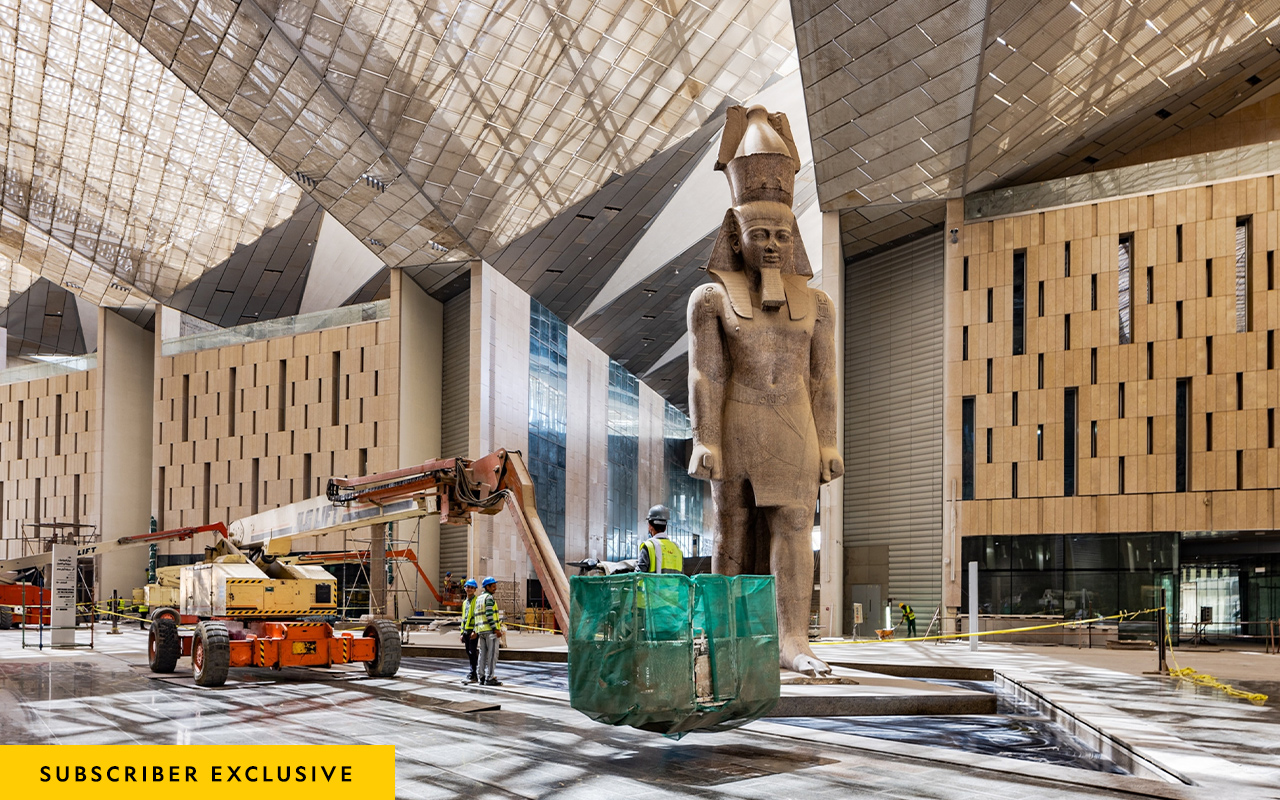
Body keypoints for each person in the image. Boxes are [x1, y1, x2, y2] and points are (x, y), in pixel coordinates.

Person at [687, 104, 842, 675]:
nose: (773, 245)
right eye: (760, 235)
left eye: (782, 234)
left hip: (795, 423)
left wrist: (828, 441)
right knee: (733, 527)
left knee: (797, 525)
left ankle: (793, 641)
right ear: (736, 236)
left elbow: (823, 379)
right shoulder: (711, 299)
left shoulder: (817, 306)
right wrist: (705, 438)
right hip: (736, 423)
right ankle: (719, 637)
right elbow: (708, 372)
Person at [474, 576, 504, 686]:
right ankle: (490, 677)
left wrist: (475, 630)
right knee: (492, 655)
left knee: (482, 655)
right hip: (490, 632)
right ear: (487, 587)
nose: (495, 588)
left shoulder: (479, 599)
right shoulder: (489, 598)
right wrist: (496, 629)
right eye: (493, 586)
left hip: (481, 631)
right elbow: (489, 615)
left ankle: (480, 676)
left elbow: (476, 616)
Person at [637, 504, 684, 574]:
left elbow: (638, 574)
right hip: (675, 585)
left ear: (650, 526)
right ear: (665, 528)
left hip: (653, 585)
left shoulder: (649, 546)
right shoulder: (677, 549)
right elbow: (682, 576)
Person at [460, 578, 479, 683]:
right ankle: (473, 672)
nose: (469, 589)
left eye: (472, 587)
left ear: (475, 589)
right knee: (469, 651)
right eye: (468, 587)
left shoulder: (476, 601)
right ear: (465, 588)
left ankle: (474, 673)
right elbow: (464, 618)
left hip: (473, 631)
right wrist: (462, 633)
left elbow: (477, 617)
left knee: (472, 652)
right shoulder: (464, 603)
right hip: (466, 631)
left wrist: (475, 631)